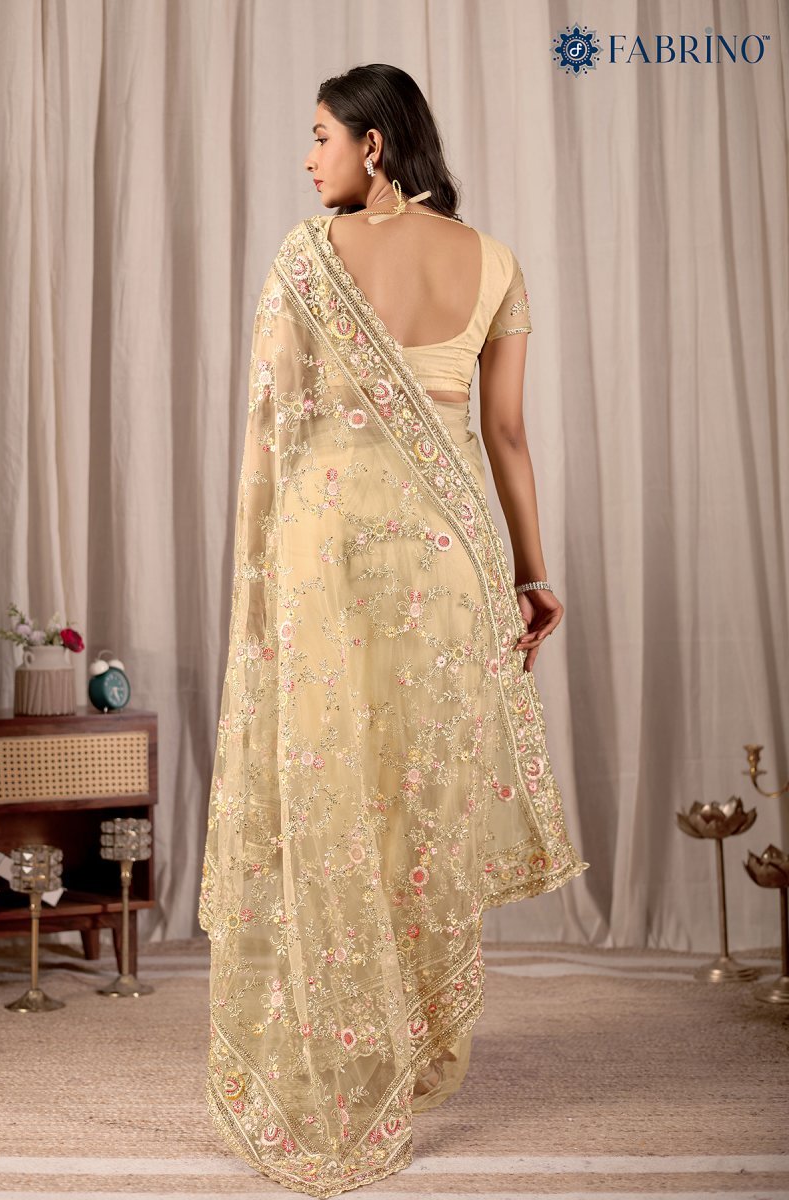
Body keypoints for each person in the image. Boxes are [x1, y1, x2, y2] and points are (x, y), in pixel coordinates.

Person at [198, 63, 589, 1199]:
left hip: (323, 554)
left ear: (374, 145)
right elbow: (505, 435)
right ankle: (403, 1048)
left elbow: (271, 427)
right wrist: (531, 573)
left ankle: (334, 1058)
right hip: (445, 558)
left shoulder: (305, 258)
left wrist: (259, 578)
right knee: (417, 798)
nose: (306, 158)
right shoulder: (494, 261)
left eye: (320, 136)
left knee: (330, 795)